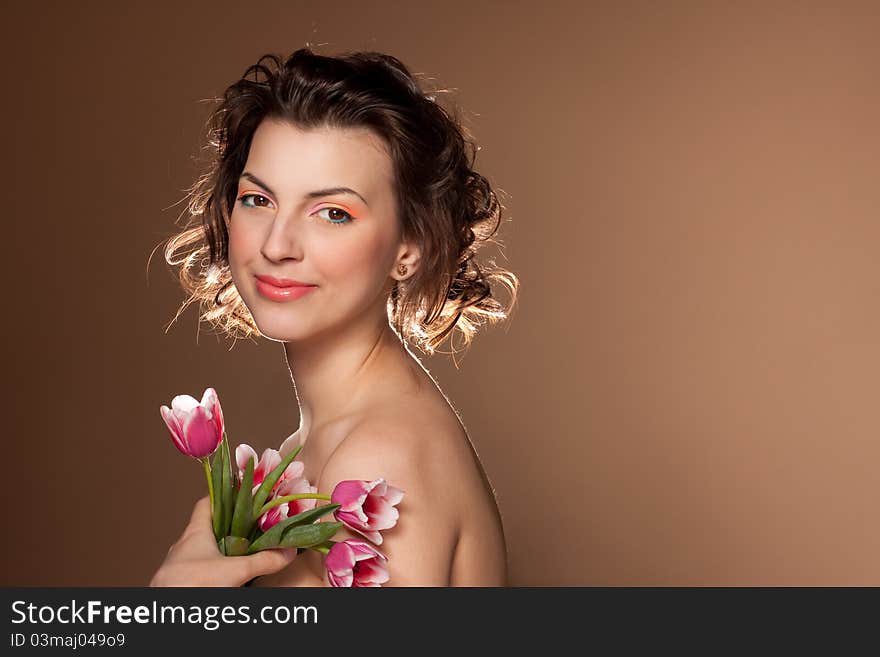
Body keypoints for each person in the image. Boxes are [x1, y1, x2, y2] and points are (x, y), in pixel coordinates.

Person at [150, 47, 519, 587]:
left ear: (408, 248)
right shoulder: (324, 439)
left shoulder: (378, 460)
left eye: (333, 213)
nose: (277, 245)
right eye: (258, 200)